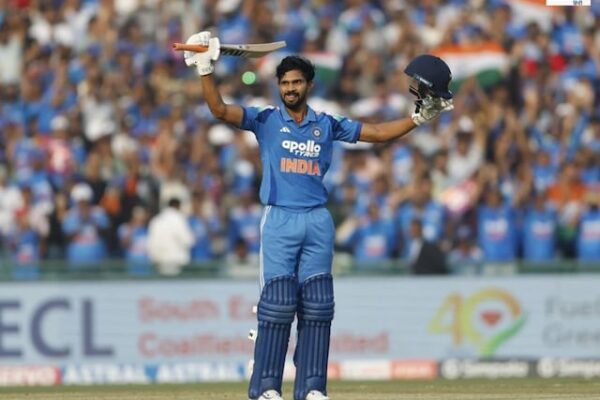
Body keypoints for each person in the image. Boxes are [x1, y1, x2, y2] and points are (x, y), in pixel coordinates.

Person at [183, 31, 453, 400]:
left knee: (318, 307)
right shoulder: (265, 120)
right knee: (277, 306)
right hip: (280, 219)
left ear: (308, 85)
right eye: (284, 83)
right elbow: (219, 109)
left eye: (296, 82)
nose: (290, 88)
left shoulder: (326, 123)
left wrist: (417, 120)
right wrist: (204, 69)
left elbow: (376, 132)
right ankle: (266, 388)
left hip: (317, 221)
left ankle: (312, 388)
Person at [147, 197, 194, 276]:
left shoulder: (156, 220)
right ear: (178, 206)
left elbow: (150, 243)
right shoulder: (179, 219)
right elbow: (188, 241)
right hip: (176, 261)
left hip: (159, 261)